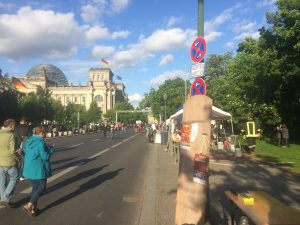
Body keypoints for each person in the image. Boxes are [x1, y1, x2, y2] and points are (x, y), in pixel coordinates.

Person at [22, 126, 54, 216]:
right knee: (42, 187)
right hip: (39, 170)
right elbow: (45, 157)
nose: (45, 135)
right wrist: (51, 149)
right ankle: (29, 205)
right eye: (44, 133)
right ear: (41, 133)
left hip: (29, 169)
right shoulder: (40, 143)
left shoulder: (28, 141)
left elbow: (25, 152)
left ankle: (33, 209)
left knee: (35, 188)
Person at [0, 119, 18, 208]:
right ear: (10, 125)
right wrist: (17, 158)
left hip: (0, 161)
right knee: (15, 178)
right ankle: (5, 198)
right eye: (14, 125)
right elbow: (13, 151)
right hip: (9, 161)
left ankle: (3, 199)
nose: (15, 127)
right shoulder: (11, 135)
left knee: (2, 181)